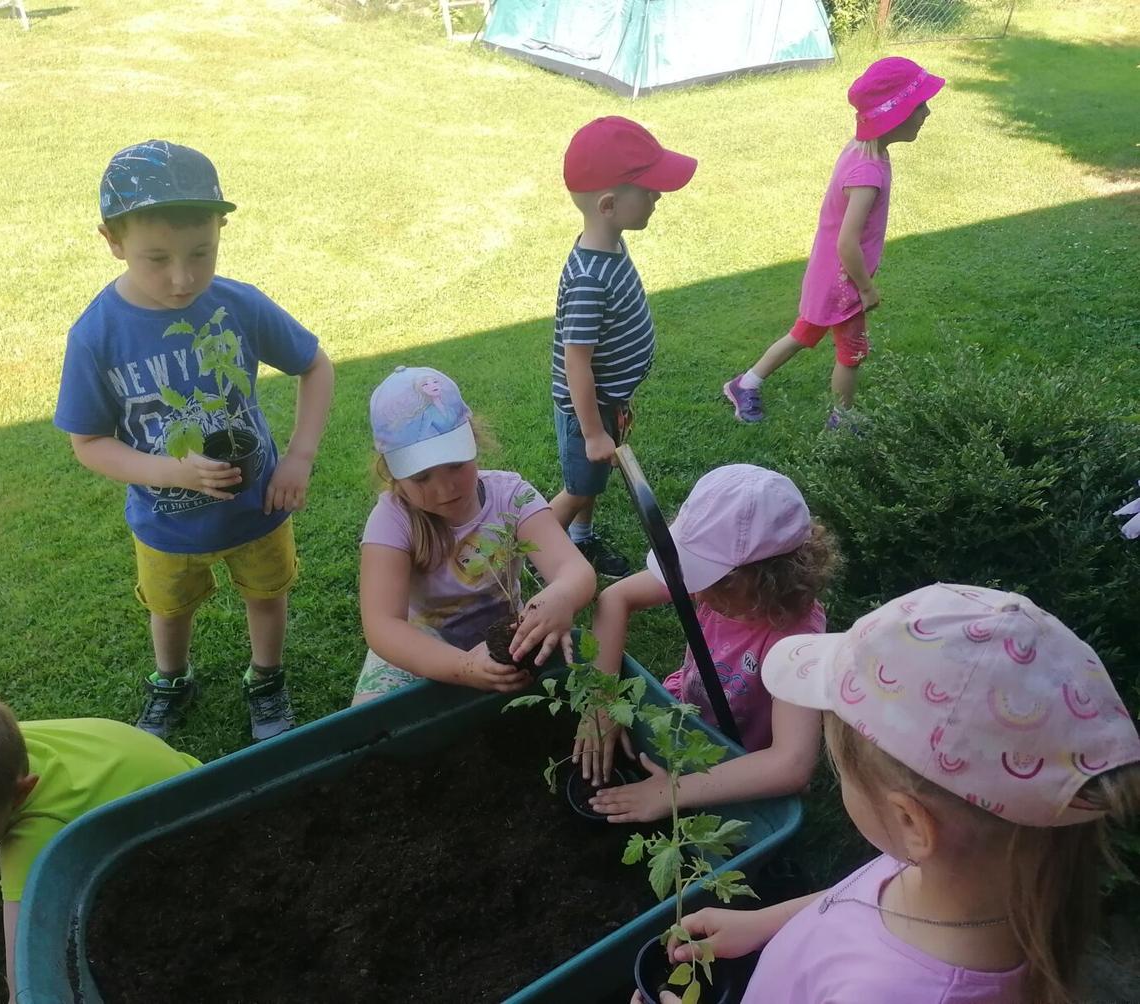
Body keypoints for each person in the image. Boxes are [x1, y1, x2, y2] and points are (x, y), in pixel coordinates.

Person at [643, 583, 1140, 1004]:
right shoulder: (973, 876)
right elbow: (862, 899)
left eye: (844, 772)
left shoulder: (886, 993)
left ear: (910, 822)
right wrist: (767, 923)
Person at [54, 140, 335, 740]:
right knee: (169, 606)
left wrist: (299, 457)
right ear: (112, 240)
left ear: (221, 230)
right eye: (157, 258)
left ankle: (266, 679)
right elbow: (89, 442)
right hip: (165, 521)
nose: (182, 278)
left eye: (201, 253)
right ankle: (172, 680)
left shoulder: (236, 307)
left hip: (259, 506)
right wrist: (172, 473)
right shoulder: (96, 335)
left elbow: (316, 366)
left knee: (267, 594)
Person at [0, 685, 201, 1003]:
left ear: (21, 794)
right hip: (188, 775)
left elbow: (25, 980)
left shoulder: (34, 838)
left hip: (186, 843)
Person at [582, 466, 837, 822]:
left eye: (712, 577)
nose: (697, 590)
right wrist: (602, 703)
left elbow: (791, 764)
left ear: (768, 580)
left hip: (738, 757)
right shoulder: (721, 587)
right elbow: (614, 599)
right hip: (685, 709)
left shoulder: (797, 641)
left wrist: (668, 793)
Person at [723, 57, 944, 429]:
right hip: (843, 282)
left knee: (803, 333)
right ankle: (842, 420)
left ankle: (745, 384)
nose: (927, 112)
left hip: (826, 275)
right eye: (920, 104)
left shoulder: (861, 149)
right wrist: (867, 289)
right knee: (852, 352)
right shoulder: (868, 173)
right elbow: (847, 243)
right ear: (897, 114)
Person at [354, 366, 595, 703]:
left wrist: (562, 596)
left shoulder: (511, 497)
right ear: (391, 472)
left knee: (575, 680)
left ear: (474, 442)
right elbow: (383, 626)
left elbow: (574, 570)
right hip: (420, 645)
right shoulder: (392, 519)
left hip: (509, 633)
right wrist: (465, 666)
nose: (444, 488)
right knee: (371, 718)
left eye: (456, 464)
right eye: (421, 477)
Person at [551, 116, 698, 577]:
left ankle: (580, 538)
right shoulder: (590, 278)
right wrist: (594, 432)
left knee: (592, 479)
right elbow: (577, 363)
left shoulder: (610, 244)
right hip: (587, 411)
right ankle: (537, 557)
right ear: (610, 204)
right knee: (579, 486)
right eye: (649, 189)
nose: (657, 197)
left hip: (609, 402)